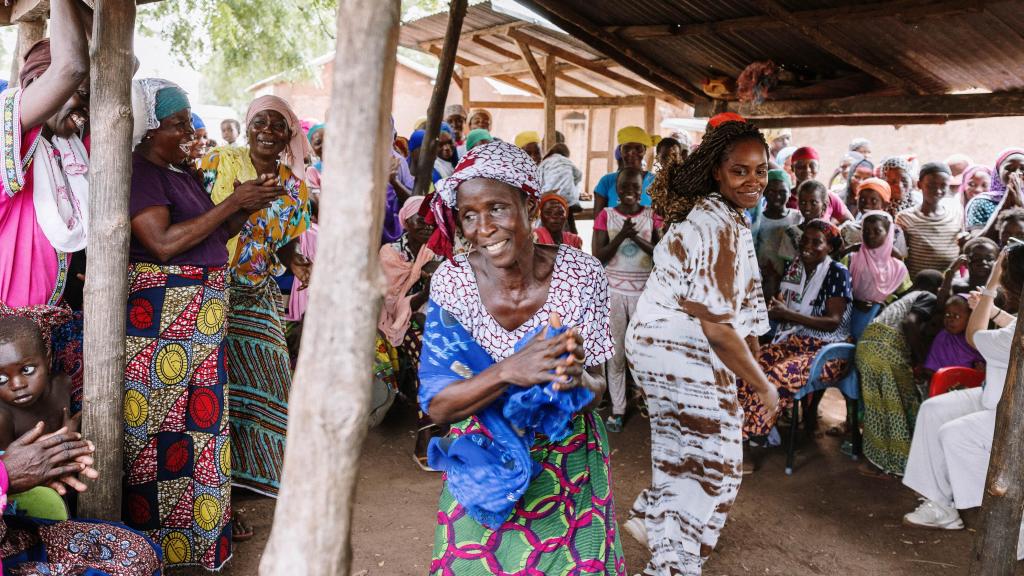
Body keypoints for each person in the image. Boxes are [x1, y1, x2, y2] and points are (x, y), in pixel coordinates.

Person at [417, 140, 623, 574]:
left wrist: (574, 380)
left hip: (568, 460)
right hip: (483, 460)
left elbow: (598, 389)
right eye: (469, 214)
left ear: (529, 205)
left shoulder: (582, 275)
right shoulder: (453, 283)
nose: (483, 227)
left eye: (497, 208)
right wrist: (511, 370)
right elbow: (439, 406)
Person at [126, 79, 285, 567]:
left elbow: (212, 235)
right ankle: (162, 548)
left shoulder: (180, 172)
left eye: (189, 120)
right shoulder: (141, 173)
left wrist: (242, 205)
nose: (189, 131)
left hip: (200, 323)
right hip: (165, 324)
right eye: (177, 124)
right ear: (148, 130)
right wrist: (231, 204)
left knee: (201, 430)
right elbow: (165, 244)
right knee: (166, 432)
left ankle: (199, 543)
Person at [625, 114, 777, 575]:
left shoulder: (729, 214)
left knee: (685, 449)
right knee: (715, 461)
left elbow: (743, 308)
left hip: (658, 341)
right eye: (740, 170)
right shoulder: (716, 223)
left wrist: (751, 372)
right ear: (716, 169)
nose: (754, 181)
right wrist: (763, 386)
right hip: (677, 343)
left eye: (761, 170)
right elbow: (717, 327)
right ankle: (672, 561)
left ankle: (653, 523)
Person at [201, 95, 312, 498]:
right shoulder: (220, 163)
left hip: (257, 289)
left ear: (288, 135)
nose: (267, 130)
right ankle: (221, 475)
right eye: (260, 122)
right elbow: (199, 221)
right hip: (211, 286)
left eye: (277, 124)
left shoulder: (295, 187)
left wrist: (295, 262)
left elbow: (282, 239)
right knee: (218, 380)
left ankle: (260, 473)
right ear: (247, 127)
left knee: (271, 374)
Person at [902, 244, 1022, 532]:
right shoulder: (1015, 328)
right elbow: (1013, 324)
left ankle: (995, 513)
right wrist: (991, 310)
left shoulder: (1009, 340)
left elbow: (974, 336)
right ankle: (940, 505)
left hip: (1010, 408)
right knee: (933, 410)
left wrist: (992, 284)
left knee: (953, 434)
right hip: (993, 393)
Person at [740, 220, 851, 438]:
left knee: (776, 375)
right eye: (804, 240)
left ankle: (754, 436)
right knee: (750, 367)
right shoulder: (795, 267)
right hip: (798, 341)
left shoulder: (837, 273)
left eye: (816, 242)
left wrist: (786, 314)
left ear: (830, 247)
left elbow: (833, 322)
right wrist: (776, 310)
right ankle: (738, 426)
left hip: (830, 352)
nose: (807, 246)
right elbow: (783, 304)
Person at [592, 167, 661, 433]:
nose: (629, 192)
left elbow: (660, 253)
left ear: (641, 189)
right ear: (616, 190)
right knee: (616, 354)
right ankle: (618, 409)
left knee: (646, 353)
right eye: (624, 188)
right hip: (615, 293)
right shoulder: (606, 215)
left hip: (645, 293)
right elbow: (598, 257)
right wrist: (622, 235)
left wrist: (634, 237)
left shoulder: (650, 216)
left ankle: (650, 404)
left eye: (635, 187)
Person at [856, 270, 942, 476]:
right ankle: (903, 463)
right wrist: (923, 360)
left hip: (865, 348)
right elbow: (910, 323)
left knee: (877, 407)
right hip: (888, 349)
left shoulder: (901, 300)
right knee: (903, 404)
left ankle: (877, 459)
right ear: (935, 288)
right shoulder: (927, 296)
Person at [377, 196, 442, 468]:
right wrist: (423, 295)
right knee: (429, 357)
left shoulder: (437, 251)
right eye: (420, 218)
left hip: (432, 316)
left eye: (431, 219)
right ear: (406, 221)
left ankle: (443, 429)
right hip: (394, 321)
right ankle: (426, 437)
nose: (427, 224)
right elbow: (391, 302)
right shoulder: (391, 254)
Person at [0, 313, 76, 448]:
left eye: (27, 370)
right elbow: (10, 464)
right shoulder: (3, 419)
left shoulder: (63, 384)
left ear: (48, 361)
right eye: (1, 379)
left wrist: (73, 428)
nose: (17, 385)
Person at [896, 162, 962, 277]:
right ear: (919, 185)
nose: (937, 190)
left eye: (943, 185)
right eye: (931, 185)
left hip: (950, 285)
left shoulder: (956, 214)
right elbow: (900, 255)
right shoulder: (905, 218)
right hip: (919, 285)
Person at [845, 211, 910, 306]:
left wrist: (884, 307)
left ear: (888, 234)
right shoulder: (850, 260)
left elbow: (904, 298)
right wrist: (855, 303)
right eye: (866, 231)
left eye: (877, 231)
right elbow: (838, 291)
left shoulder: (899, 268)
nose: (870, 235)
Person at [754, 169, 800, 300]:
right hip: (762, 278)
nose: (777, 196)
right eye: (771, 191)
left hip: (791, 279)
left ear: (790, 193)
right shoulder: (758, 219)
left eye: (782, 192)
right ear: (764, 192)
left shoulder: (797, 218)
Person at [593, 126, 656, 215]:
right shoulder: (606, 181)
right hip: (613, 229)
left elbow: (660, 220)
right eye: (627, 148)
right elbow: (598, 219)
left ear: (644, 150)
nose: (632, 153)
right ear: (620, 151)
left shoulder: (655, 181)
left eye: (638, 148)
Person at [839, 178, 908, 258]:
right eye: (862, 200)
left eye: (874, 201)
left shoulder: (895, 232)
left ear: (885, 205)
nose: (867, 204)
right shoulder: (848, 228)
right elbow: (840, 256)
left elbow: (900, 259)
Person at [921, 295, 985, 379]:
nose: (950, 320)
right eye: (947, 315)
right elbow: (930, 368)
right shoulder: (942, 337)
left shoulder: (975, 340)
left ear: (969, 319)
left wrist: (980, 368)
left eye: (956, 316)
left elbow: (982, 363)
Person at [786, 146, 852, 224]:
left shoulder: (829, 196)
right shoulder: (785, 197)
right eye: (801, 166)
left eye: (812, 165)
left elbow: (850, 223)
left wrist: (833, 231)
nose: (807, 170)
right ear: (793, 168)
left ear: (818, 167)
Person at [964, 148, 1024, 231]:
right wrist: (1005, 203)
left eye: (1023, 168)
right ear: (998, 171)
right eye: (1009, 168)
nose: (1017, 173)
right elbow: (978, 241)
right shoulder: (981, 203)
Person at [537, 143, 582, 233]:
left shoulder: (544, 162)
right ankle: (571, 236)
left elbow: (538, 179)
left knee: (545, 218)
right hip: (568, 197)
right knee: (566, 214)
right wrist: (572, 184)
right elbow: (579, 175)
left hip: (549, 195)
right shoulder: (567, 161)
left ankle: (540, 233)